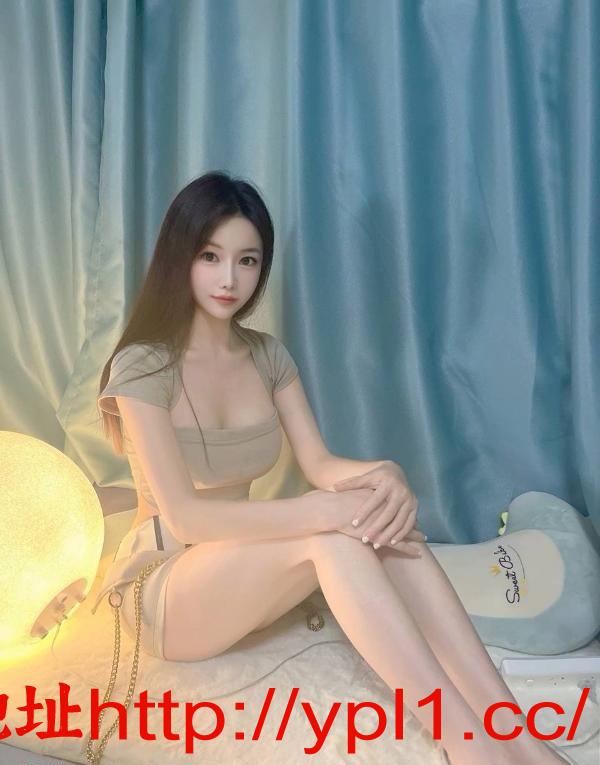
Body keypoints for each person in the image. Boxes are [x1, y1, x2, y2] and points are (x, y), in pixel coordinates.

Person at [95, 171, 574, 765]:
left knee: (383, 525)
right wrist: (326, 511)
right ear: (180, 257)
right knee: (336, 535)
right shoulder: (143, 366)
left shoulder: (267, 355)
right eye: (210, 256)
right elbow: (188, 518)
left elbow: (320, 463)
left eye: (247, 260)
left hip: (245, 570)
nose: (229, 279)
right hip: (164, 586)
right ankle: (469, 745)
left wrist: (385, 475)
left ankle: (517, 735)